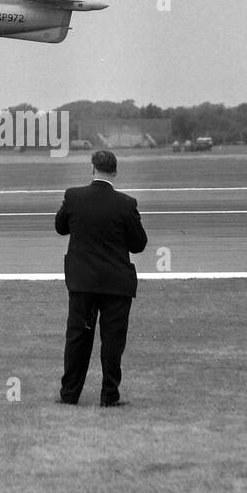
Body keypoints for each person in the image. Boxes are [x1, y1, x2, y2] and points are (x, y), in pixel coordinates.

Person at [55, 150, 147, 407]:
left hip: (83, 281)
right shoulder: (127, 203)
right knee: (113, 341)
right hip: (116, 283)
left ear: (93, 169)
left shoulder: (73, 196)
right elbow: (139, 244)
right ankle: (109, 395)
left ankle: (70, 394)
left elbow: (60, 227)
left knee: (77, 338)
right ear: (115, 172)